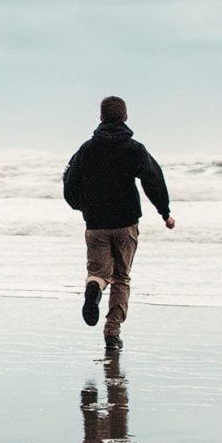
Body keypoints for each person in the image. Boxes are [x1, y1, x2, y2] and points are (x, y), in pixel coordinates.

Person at [62, 95, 174, 346]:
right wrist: (164, 212)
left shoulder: (86, 149)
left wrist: (82, 207)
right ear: (125, 117)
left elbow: (69, 181)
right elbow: (153, 180)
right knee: (122, 278)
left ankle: (94, 287)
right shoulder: (134, 149)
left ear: (101, 117)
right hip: (126, 223)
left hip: (96, 224)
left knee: (98, 273)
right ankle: (112, 333)